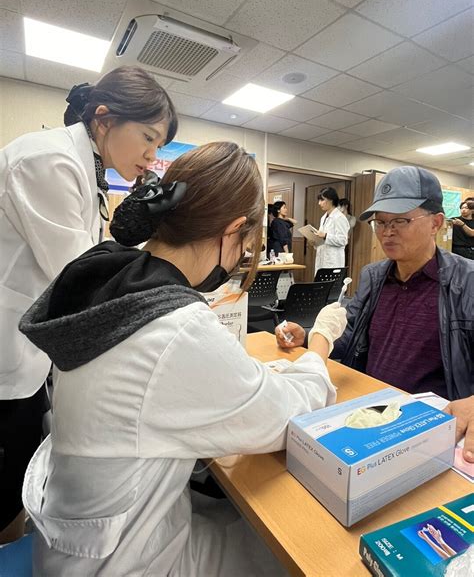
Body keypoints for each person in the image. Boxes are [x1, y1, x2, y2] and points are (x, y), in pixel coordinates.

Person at [19, 142, 347, 576]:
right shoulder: (175, 327)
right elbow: (287, 416)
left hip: (77, 539)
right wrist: (320, 343)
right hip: (123, 563)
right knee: (307, 547)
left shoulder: (115, 278)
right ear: (232, 232)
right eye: (245, 244)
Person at [0, 65, 178, 543]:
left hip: (27, 358)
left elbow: (88, 252)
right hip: (4, 358)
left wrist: (126, 233)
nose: (152, 154)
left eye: (159, 144)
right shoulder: (47, 160)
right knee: (3, 486)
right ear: (103, 119)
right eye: (148, 136)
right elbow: (78, 273)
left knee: (13, 475)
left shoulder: (84, 168)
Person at [278, 166, 473, 402]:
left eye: (400, 221)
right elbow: (351, 334)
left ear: (436, 223)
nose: (387, 233)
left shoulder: (466, 282)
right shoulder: (374, 276)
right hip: (370, 403)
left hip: (432, 418)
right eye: (380, 222)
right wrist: (310, 336)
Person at [313, 187, 350, 275]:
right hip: (322, 260)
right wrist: (315, 241)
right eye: (319, 200)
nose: (319, 203)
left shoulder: (339, 218)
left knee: (331, 287)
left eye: (322, 200)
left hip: (333, 261)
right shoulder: (323, 217)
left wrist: (326, 236)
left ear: (331, 200)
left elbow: (343, 240)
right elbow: (322, 239)